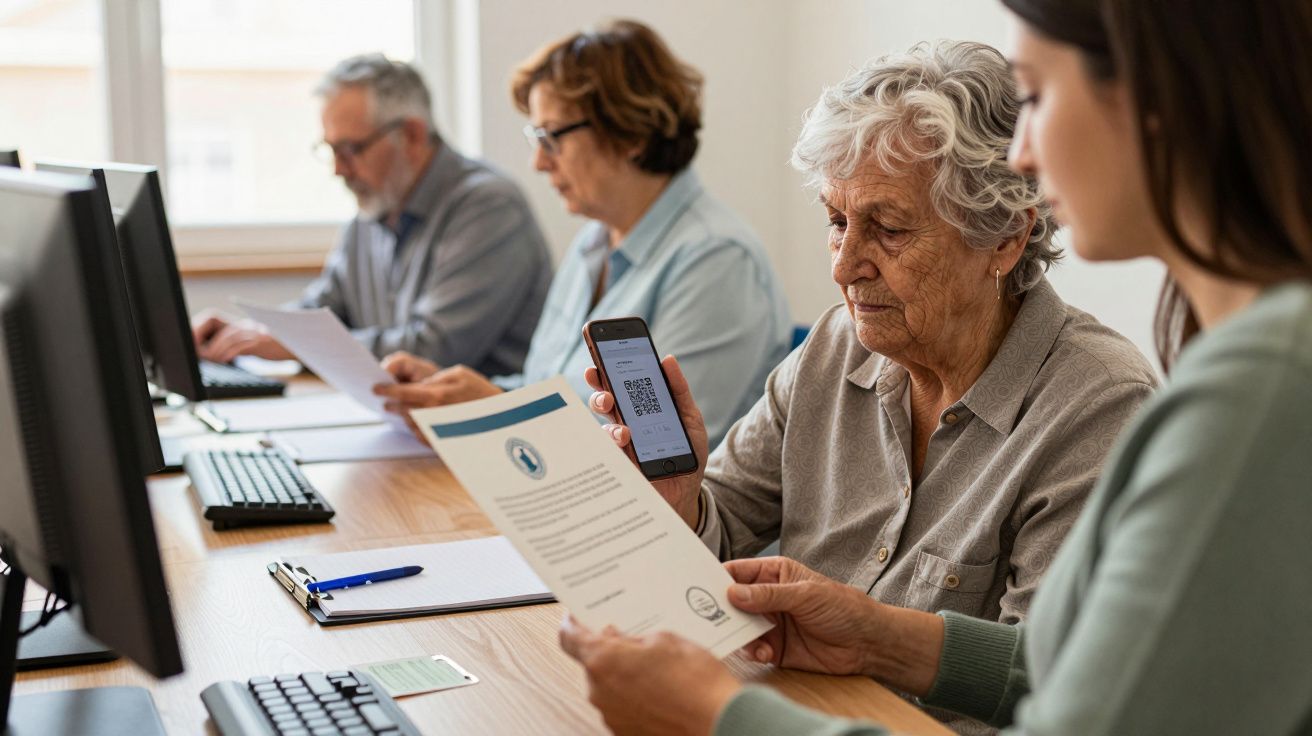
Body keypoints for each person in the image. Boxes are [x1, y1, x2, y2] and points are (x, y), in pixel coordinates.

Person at [560, 1, 1312, 734]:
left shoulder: (1213, 394)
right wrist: (873, 632)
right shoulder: (838, 345)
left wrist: (717, 717)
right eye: (835, 221)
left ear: (1005, 240)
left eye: (889, 228)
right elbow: (1067, 667)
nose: (844, 266)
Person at [373, 20, 791, 449]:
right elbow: (550, 389)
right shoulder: (593, 243)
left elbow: (662, 449)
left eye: (551, 137)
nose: (539, 162)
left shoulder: (718, 260)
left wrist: (494, 406)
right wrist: (449, 393)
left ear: (630, 132)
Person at [192, 54, 552, 377]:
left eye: (350, 149)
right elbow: (322, 311)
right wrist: (246, 332)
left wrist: (297, 345)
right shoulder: (373, 210)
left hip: (483, 424)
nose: (338, 169)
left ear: (411, 135)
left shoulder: (489, 207)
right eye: (330, 150)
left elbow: (432, 349)